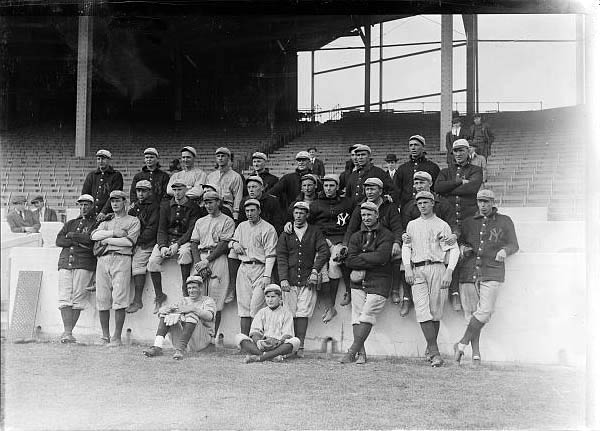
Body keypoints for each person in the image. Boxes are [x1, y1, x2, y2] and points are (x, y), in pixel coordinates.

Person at [454, 190, 519, 365]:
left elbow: (514, 244)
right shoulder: (468, 222)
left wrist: (505, 251)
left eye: (486, 202)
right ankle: (475, 352)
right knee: (470, 314)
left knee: (485, 311)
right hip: (469, 271)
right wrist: (462, 247)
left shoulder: (504, 221)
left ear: (492, 202)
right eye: (480, 202)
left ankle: (461, 344)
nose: (482, 205)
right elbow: (460, 239)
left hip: (492, 271)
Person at [401, 191, 460, 367]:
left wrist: (449, 271)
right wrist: (407, 268)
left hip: (437, 267)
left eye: (426, 202)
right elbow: (406, 247)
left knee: (435, 311)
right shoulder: (411, 225)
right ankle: (435, 353)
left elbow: (454, 249)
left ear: (433, 203)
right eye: (419, 203)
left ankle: (430, 349)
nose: (423, 205)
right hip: (417, 269)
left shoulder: (442, 225)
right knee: (421, 309)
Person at [340, 201, 394, 364]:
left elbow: (382, 257)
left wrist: (361, 258)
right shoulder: (356, 236)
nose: (366, 218)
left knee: (367, 314)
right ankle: (361, 354)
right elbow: (349, 261)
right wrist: (371, 259)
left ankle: (352, 352)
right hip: (358, 281)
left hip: (380, 280)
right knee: (356, 316)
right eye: (363, 215)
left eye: (369, 214)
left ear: (377, 215)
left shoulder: (386, 234)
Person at [397, 171, 456, 316]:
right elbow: (403, 227)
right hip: (416, 246)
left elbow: (453, 224)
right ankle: (406, 297)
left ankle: (454, 293)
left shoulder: (442, 203)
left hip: (439, 244)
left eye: (422, 182)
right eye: (416, 183)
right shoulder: (410, 206)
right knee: (404, 259)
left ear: (430, 184)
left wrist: (454, 235)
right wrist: (403, 235)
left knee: (454, 254)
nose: (418, 186)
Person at [276, 201, 330, 357]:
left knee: (303, 313)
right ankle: (289, 346)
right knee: (289, 312)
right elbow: (281, 256)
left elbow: (323, 251)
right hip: (290, 280)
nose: (298, 216)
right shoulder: (286, 232)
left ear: (307, 215)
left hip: (308, 279)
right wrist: (283, 279)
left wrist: (315, 271)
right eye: (296, 213)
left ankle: (300, 347)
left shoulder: (314, 231)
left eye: (302, 213)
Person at [90, 190, 141, 347]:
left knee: (119, 298)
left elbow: (129, 242)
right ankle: (105, 336)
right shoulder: (107, 222)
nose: (114, 203)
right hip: (103, 259)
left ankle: (116, 337)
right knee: (102, 297)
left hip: (122, 258)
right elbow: (94, 236)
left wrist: (107, 240)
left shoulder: (133, 220)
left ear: (124, 202)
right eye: (112, 201)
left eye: (118, 200)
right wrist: (114, 234)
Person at [343, 178, 403, 309]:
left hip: (384, 241)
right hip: (365, 242)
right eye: (367, 189)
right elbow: (351, 228)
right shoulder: (360, 207)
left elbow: (397, 227)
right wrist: (346, 245)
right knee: (345, 257)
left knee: (397, 256)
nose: (369, 192)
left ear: (380, 191)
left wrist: (397, 242)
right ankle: (348, 290)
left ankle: (395, 290)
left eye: (372, 189)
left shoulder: (389, 207)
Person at [190, 191, 235, 345]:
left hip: (217, 258)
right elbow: (194, 243)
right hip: (201, 258)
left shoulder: (227, 220)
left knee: (216, 302)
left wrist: (207, 261)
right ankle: (198, 339)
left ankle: (211, 339)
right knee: (197, 299)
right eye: (205, 202)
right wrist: (199, 264)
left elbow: (223, 244)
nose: (208, 205)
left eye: (211, 202)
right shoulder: (200, 221)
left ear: (218, 202)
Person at [309, 174, 355, 322]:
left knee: (335, 262)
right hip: (322, 240)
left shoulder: (347, 202)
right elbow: (309, 224)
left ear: (337, 187)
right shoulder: (315, 204)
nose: (328, 188)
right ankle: (330, 307)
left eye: (331, 185)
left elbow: (356, 218)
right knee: (319, 267)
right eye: (326, 185)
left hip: (340, 239)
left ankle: (348, 291)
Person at [229, 199, 278, 336]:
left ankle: (258, 341)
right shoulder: (242, 226)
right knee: (243, 306)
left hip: (261, 268)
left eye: (252, 210)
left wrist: (267, 275)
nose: (249, 213)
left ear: (259, 211)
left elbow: (271, 254)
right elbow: (231, 241)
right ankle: (244, 341)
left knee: (257, 306)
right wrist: (234, 245)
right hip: (244, 267)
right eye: (247, 211)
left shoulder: (268, 228)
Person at [142, 275, 217, 360]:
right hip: (184, 339)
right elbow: (168, 310)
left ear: (201, 288)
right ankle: (157, 347)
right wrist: (163, 310)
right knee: (167, 315)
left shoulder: (208, 300)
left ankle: (180, 350)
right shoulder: (184, 300)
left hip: (200, 340)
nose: (191, 291)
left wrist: (192, 309)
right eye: (189, 288)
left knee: (191, 315)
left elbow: (209, 316)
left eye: (194, 288)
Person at [147, 181, 201, 299]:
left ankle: (184, 286)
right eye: (175, 190)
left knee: (185, 253)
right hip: (167, 240)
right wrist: (162, 246)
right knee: (152, 261)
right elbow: (161, 229)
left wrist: (178, 244)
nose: (177, 193)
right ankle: (159, 294)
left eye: (180, 190)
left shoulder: (193, 207)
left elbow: (191, 230)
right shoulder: (166, 206)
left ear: (186, 190)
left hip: (184, 240)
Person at [54, 194, 97, 343]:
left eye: (87, 205)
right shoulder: (71, 222)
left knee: (78, 298)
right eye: (81, 205)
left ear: (92, 206)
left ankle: (67, 332)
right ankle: (67, 333)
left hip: (84, 263)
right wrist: (78, 241)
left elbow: (92, 240)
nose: (84, 208)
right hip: (66, 262)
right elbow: (59, 240)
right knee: (65, 297)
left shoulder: (95, 223)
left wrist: (73, 236)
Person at [235, 284, 301, 363]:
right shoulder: (261, 312)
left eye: (273, 297)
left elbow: (287, 334)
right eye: (267, 297)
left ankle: (260, 357)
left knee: (296, 341)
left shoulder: (286, 313)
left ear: (280, 298)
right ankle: (270, 356)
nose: (270, 300)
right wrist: (259, 342)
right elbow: (255, 331)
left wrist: (278, 342)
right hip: (263, 344)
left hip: (278, 345)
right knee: (239, 337)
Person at [125, 180, 162, 314]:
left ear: (150, 192)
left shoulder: (154, 206)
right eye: (138, 190)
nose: (140, 193)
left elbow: (151, 229)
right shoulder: (135, 207)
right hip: (135, 242)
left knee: (137, 263)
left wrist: (136, 242)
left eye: (144, 190)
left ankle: (138, 300)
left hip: (148, 242)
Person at [394, 135, 441, 208]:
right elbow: (396, 190)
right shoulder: (402, 168)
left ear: (423, 147)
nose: (413, 148)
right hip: (406, 208)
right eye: (411, 145)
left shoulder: (433, 167)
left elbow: (437, 189)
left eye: (416, 145)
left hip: (426, 207)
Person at [82, 149, 124, 221]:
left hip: (109, 214)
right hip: (92, 214)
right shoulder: (91, 175)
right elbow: (85, 195)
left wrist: (104, 212)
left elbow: (114, 196)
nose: (100, 161)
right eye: (98, 159)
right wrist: (89, 211)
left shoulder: (116, 175)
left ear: (109, 160)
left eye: (103, 159)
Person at [206, 147, 244, 221]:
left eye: (223, 156)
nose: (220, 158)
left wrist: (235, 215)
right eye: (218, 156)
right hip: (211, 207)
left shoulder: (236, 176)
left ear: (228, 158)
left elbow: (238, 197)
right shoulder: (211, 176)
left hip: (226, 207)